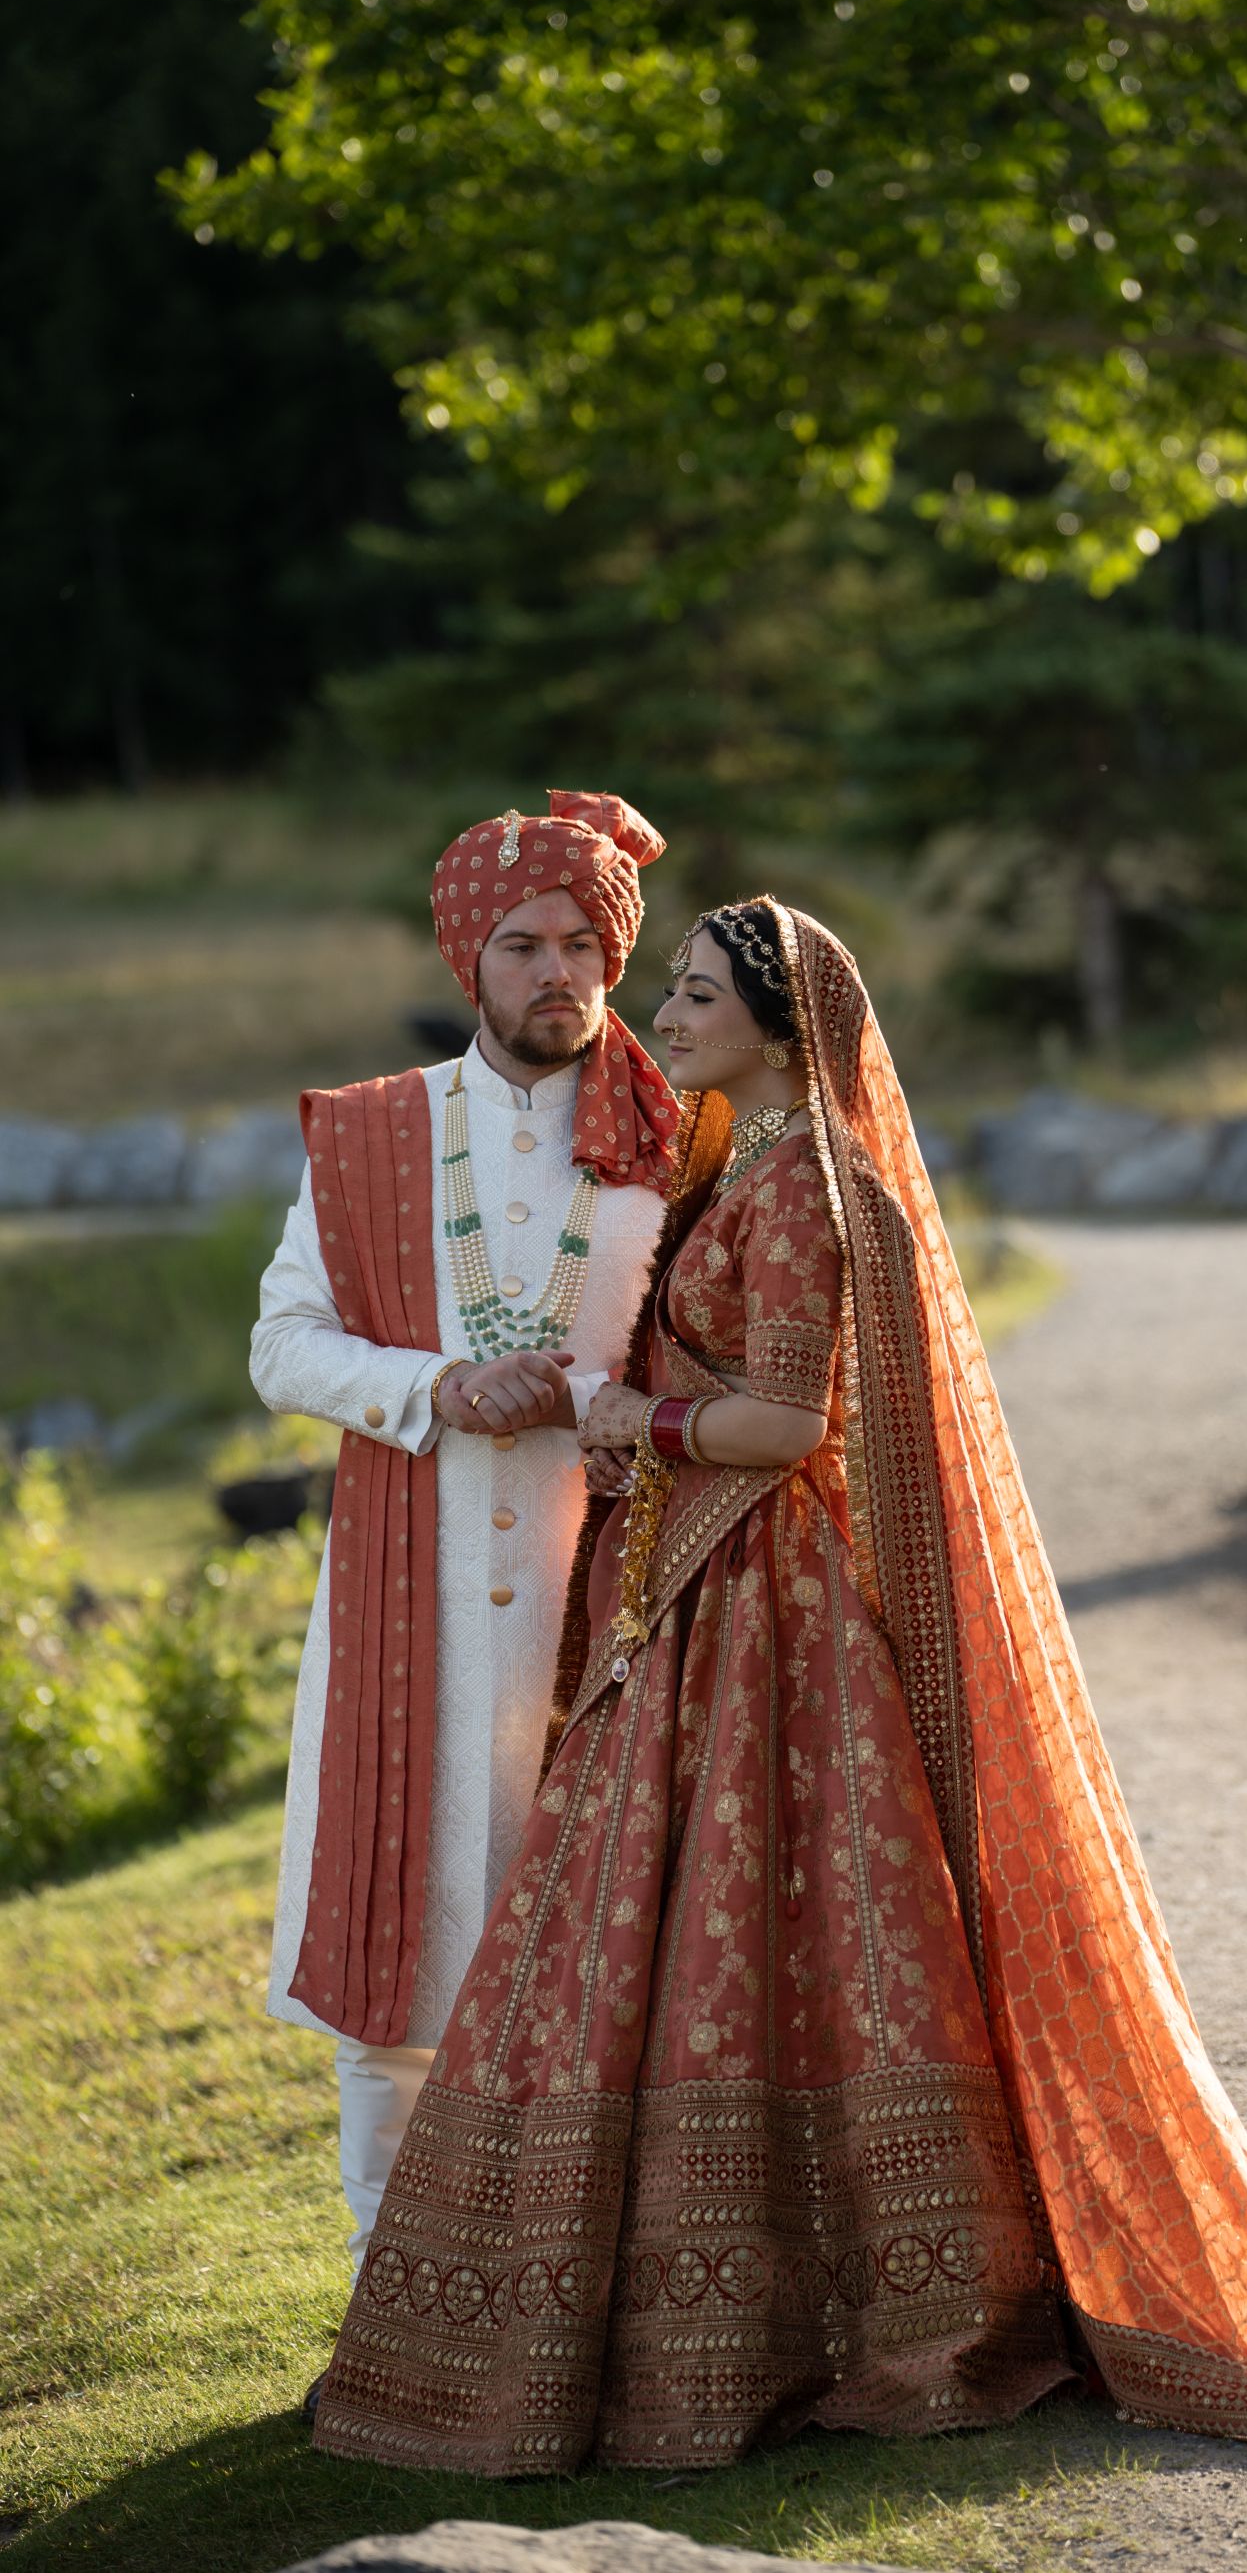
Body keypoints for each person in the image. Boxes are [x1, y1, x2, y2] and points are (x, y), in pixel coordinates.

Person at [312, 898, 1247, 2474]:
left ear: (784, 1025)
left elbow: (789, 1424)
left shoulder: (811, 1190)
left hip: (768, 1611)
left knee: (752, 1932)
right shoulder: (747, 1162)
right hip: (717, 1605)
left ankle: (827, 2318)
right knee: (739, 1940)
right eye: (664, 988)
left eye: (693, 993)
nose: (660, 1014)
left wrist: (632, 1424)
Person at [252, 790, 678, 2300]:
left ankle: (571, 2282)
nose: (554, 972)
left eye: (581, 943)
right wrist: (434, 1386)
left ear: (615, 957)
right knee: (406, 1955)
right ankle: (388, 2284)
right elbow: (284, 1348)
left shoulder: (670, 1141)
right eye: (521, 945)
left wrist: (609, 1408)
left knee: (594, 1957)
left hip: (607, 1597)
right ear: (468, 960)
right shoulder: (374, 1133)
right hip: (408, 1593)